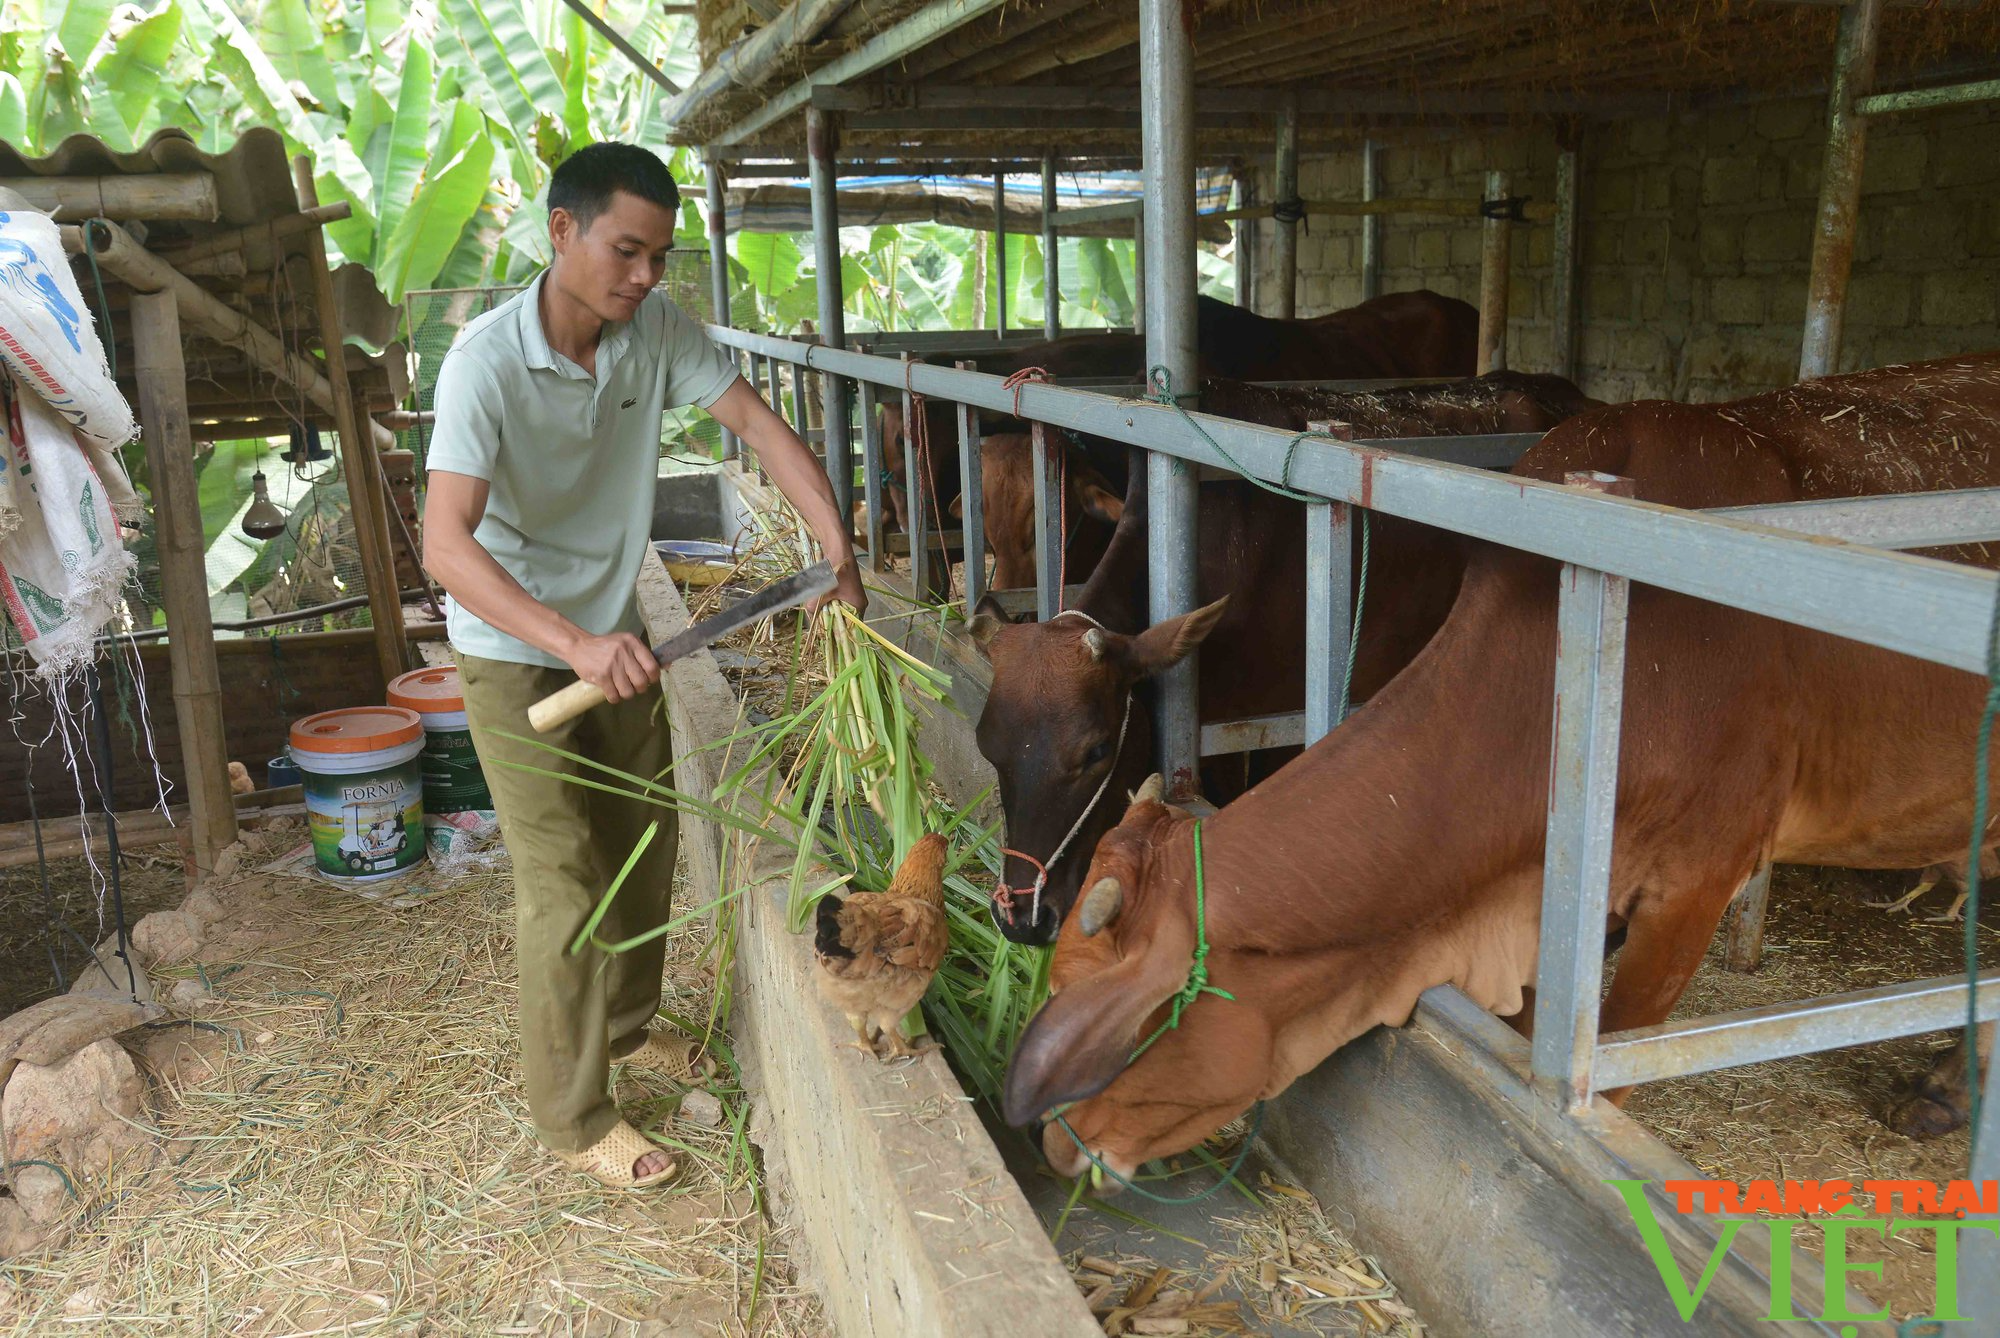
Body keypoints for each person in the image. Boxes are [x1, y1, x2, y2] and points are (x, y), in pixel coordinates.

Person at [422, 142, 864, 1189]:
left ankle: (622, 1028)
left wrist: (833, 547)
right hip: (517, 655)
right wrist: (572, 640)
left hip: (621, 638)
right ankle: (573, 1117)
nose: (645, 277)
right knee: (565, 885)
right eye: (627, 251)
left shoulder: (651, 330)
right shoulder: (483, 364)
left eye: (660, 257)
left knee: (641, 844)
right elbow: (445, 545)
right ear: (561, 230)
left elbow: (754, 423)